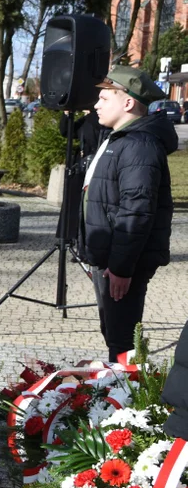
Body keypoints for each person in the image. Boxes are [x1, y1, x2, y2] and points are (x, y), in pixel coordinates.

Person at [83, 65, 175, 362]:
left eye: (104, 98)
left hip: (122, 263)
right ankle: (115, 395)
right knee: (113, 332)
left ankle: (126, 401)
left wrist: (122, 268)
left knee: (122, 341)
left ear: (127, 102)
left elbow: (137, 209)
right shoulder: (120, 137)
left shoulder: (138, 145)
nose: (96, 104)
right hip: (110, 258)